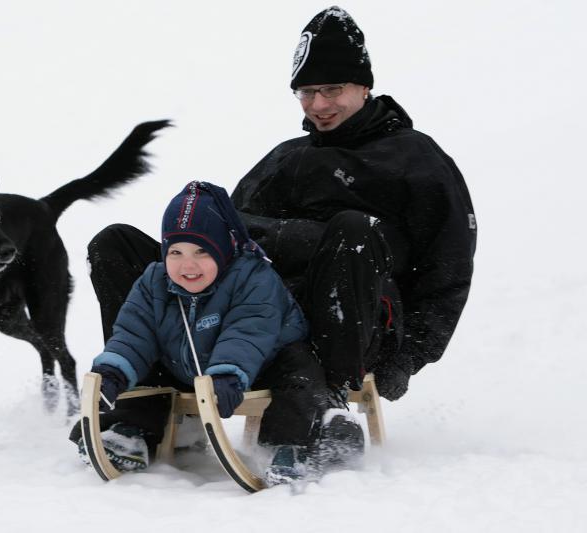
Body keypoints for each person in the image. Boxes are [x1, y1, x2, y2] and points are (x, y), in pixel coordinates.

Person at [87, 6, 476, 410]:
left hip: (349, 333)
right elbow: (220, 244)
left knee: (353, 230)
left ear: (363, 86)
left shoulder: (414, 159)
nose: (318, 104)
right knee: (116, 243)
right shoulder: (286, 158)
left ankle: (327, 401)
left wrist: (409, 357)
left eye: (332, 89)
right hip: (251, 325)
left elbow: (447, 268)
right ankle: (144, 400)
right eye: (306, 92)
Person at [71, 181, 363, 484]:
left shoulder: (253, 276)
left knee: (300, 371)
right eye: (176, 252)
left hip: (264, 362)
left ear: (224, 249)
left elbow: (247, 331)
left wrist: (226, 373)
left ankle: (291, 444)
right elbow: (134, 333)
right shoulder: (153, 281)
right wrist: (114, 371)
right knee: (145, 361)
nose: (188, 265)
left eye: (201, 251)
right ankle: (134, 429)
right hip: (196, 366)